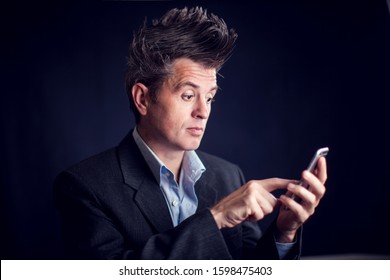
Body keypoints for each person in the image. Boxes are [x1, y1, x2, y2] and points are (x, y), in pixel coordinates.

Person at [53, 6, 327, 260]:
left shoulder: (228, 175)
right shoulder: (84, 187)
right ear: (143, 99)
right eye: (187, 95)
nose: (203, 111)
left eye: (209, 98)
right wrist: (216, 217)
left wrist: (284, 231)